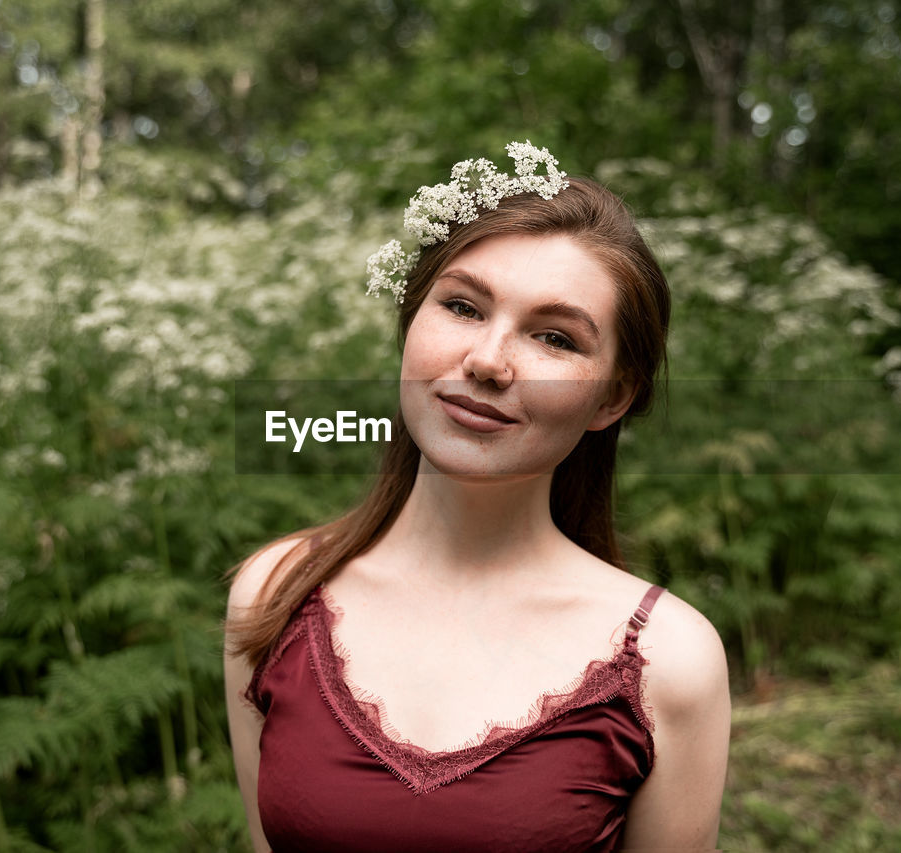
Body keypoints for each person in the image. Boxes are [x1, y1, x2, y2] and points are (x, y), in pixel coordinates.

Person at [223, 142, 730, 853]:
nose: (488, 361)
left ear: (612, 396)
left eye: (554, 337)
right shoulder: (275, 595)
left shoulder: (668, 661)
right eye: (462, 306)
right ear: (411, 322)